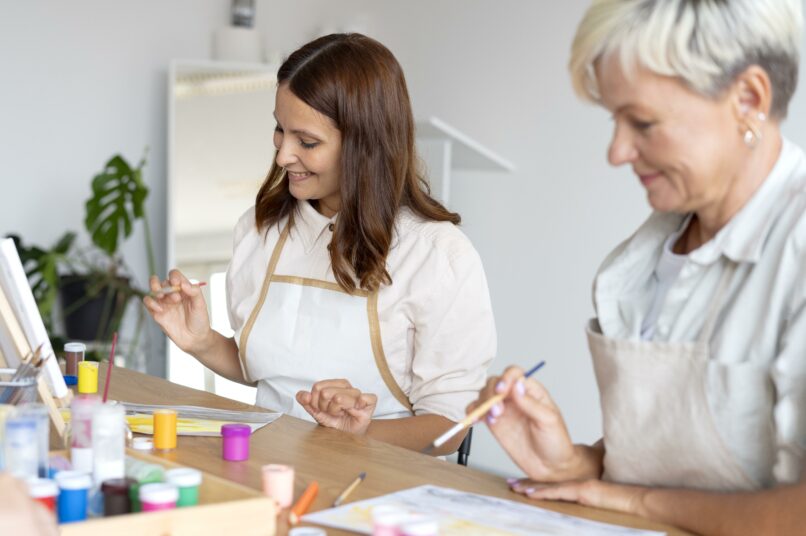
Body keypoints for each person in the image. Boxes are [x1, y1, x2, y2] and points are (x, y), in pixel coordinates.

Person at [469, 0, 806, 533]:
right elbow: (694, 457)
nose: (617, 151)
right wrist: (579, 465)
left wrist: (636, 503)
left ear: (749, 98)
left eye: (643, 123)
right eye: (614, 120)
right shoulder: (652, 249)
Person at [145, 33, 495, 454]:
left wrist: (360, 435)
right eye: (280, 129)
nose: (283, 156)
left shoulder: (436, 254)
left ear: (366, 145)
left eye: (307, 142)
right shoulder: (262, 231)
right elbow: (267, 374)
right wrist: (200, 341)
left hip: (381, 487)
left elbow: (449, 427)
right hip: (269, 465)